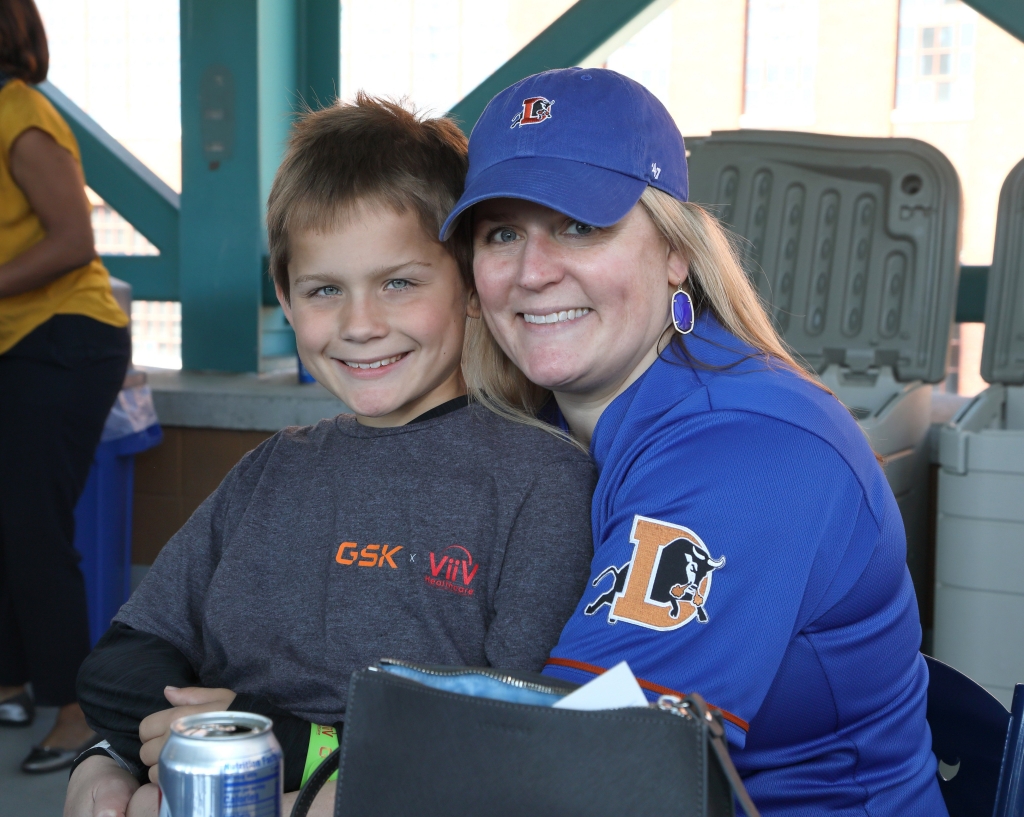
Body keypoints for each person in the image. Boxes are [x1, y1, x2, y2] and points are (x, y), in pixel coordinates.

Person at [65, 95, 596, 817]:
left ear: (471, 286)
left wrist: (286, 742)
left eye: (399, 283)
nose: (360, 324)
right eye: (324, 290)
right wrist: (107, 758)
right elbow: (122, 661)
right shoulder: (269, 471)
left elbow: (511, 736)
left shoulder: (539, 482)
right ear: (287, 300)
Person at [441, 68, 948, 816]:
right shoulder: (536, 426)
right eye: (501, 234)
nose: (533, 272)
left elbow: (579, 775)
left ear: (675, 251)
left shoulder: (752, 446)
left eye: (581, 226)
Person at [0, 0, 130, 774]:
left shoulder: (20, 114)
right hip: (18, 340)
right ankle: (11, 681)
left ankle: (79, 710)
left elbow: (74, 240)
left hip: (66, 338)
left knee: (30, 524)